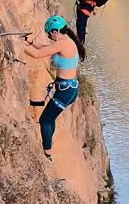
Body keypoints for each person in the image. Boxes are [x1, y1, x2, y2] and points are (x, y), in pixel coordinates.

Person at [22, 15, 84, 161]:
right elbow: (46, 49)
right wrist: (31, 42)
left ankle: (47, 154)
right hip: (67, 89)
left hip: (66, 91)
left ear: (56, 31)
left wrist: (20, 45)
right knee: (50, 119)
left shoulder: (62, 44)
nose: (49, 36)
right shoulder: (65, 41)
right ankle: (48, 148)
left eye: (49, 33)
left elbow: (37, 54)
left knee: (45, 120)